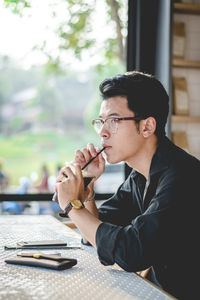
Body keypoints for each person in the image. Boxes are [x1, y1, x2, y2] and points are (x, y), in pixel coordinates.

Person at [55, 71, 199, 300]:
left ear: (147, 127)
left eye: (113, 121)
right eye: (101, 121)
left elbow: (132, 252)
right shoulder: (139, 176)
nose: (102, 132)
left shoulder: (183, 176)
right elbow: (97, 236)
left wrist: (73, 206)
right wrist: (88, 192)